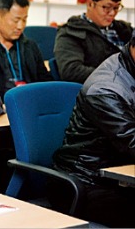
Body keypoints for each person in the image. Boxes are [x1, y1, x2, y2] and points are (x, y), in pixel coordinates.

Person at [52, 41, 135, 228]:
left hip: (119, 176)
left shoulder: (129, 66)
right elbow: (131, 141)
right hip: (86, 182)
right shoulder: (106, 89)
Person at [54, 0, 132, 83]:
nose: (112, 13)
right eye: (107, 7)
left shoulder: (123, 29)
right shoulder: (70, 33)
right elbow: (71, 71)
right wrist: (116, 76)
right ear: (90, 4)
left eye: (116, 7)